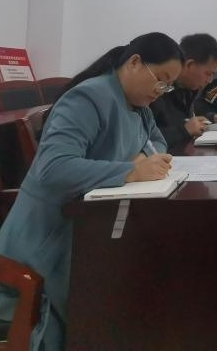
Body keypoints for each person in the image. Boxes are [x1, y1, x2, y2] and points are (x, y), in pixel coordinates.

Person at [0, 32, 184, 350]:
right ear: (135, 62)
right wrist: (129, 170)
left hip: (90, 227)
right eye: (160, 80)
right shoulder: (89, 98)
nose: (161, 91)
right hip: (49, 238)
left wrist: (140, 161)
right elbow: (53, 168)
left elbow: (157, 143)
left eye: (168, 86)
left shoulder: (139, 104)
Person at [150, 34, 217, 154]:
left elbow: (190, 117)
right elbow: (145, 140)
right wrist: (184, 130)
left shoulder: (191, 88)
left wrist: (212, 118)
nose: (210, 80)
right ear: (189, 65)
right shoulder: (156, 91)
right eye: (208, 73)